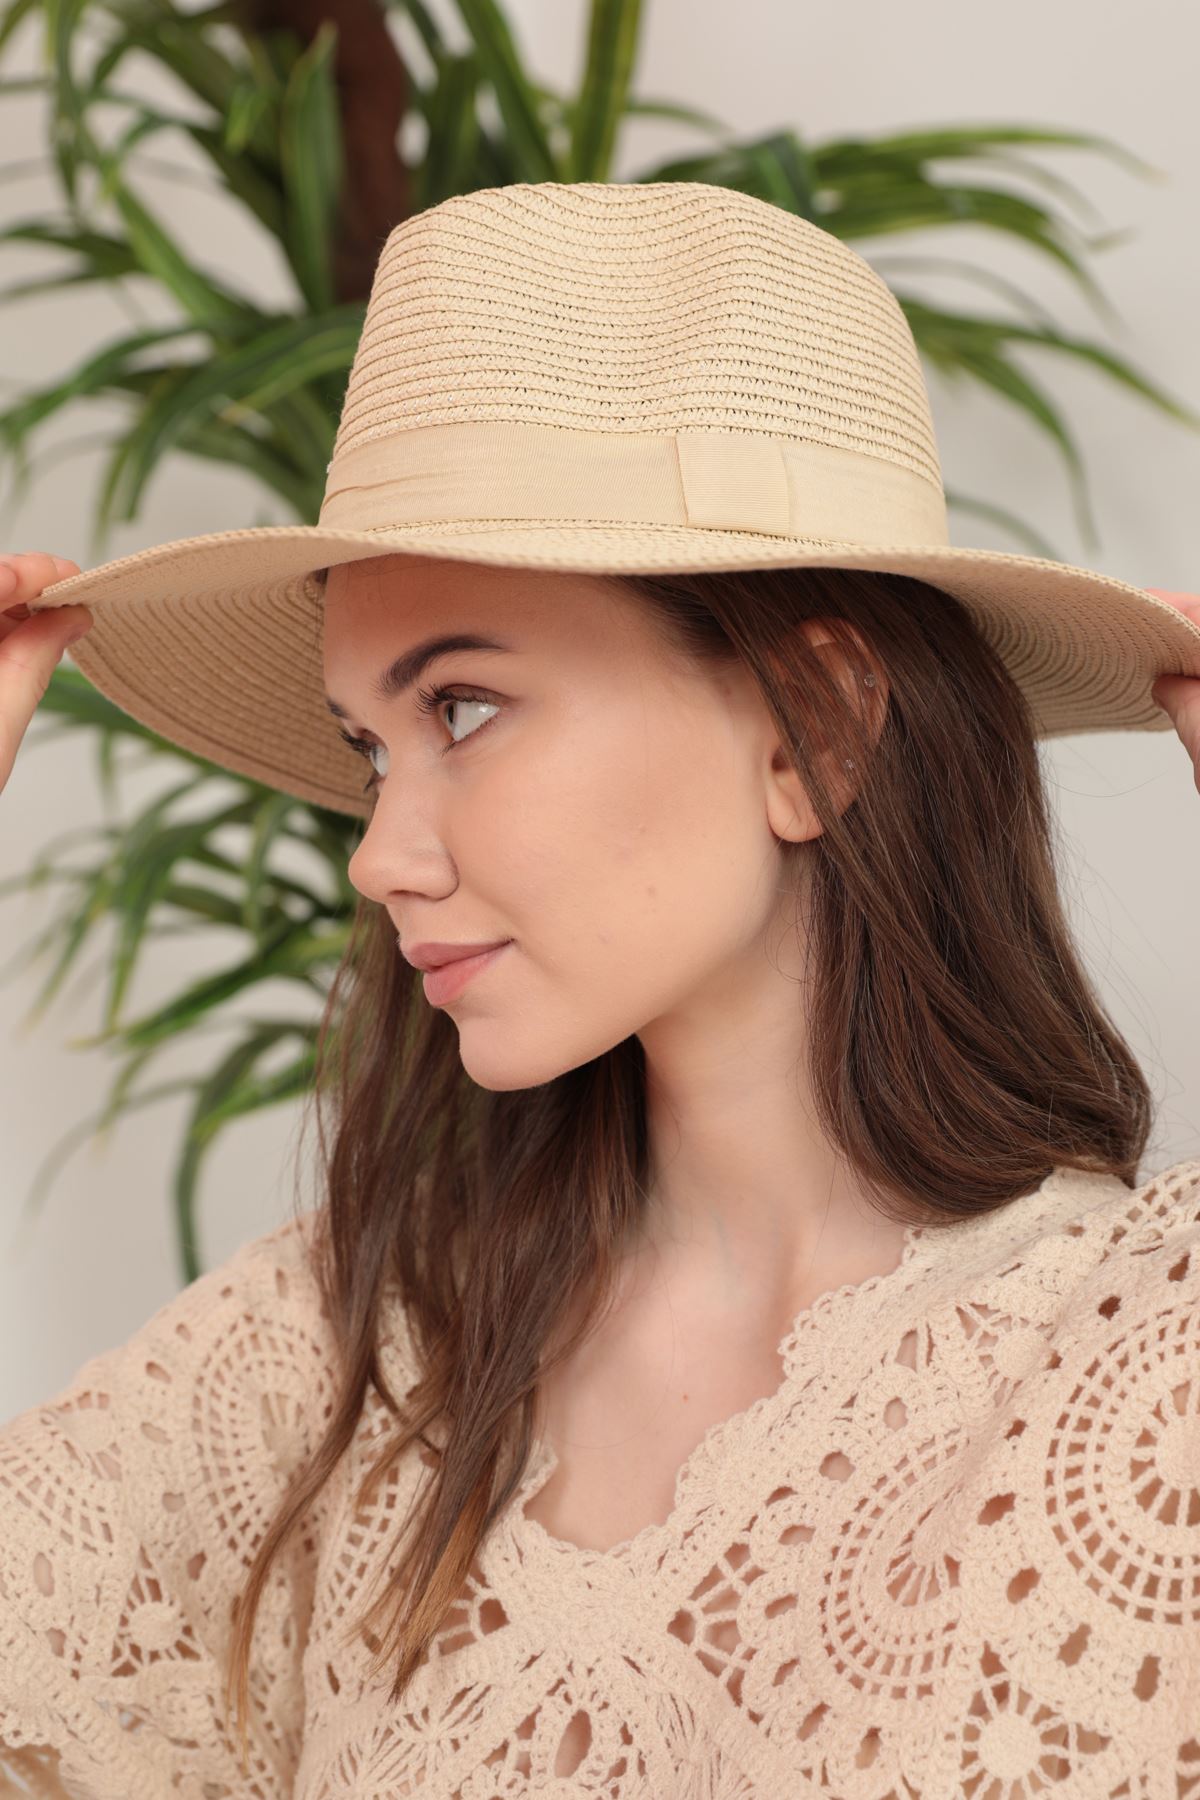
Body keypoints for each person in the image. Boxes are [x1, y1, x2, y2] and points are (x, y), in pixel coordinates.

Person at [1, 180, 1199, 1799]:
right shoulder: (345, 1347)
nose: (378, 856)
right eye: (369, 744)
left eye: (468, 709)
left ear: (818, 727)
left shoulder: (1136, 1361)